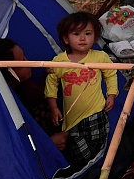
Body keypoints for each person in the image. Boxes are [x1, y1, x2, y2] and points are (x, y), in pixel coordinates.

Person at [45, 12, 118, 170]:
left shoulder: (100, 57)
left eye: (88, 33)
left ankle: (99, 172)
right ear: (66, 39)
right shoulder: (59, 61)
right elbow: (51, 84)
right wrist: (53, 107)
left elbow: (111, 74)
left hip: (97, 113)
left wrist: (111, 95)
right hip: (72, 119)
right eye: (76, 34)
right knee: (79, 154)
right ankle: (85, 176)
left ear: (95, 36)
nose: (82, 38)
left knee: (98, 148)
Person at [0, 38, 68, 151]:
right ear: (8, 76)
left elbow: (38, 95)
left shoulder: (24, 86)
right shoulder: (4, 110)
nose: (29, 62)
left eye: (25, 57)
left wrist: (48, 79)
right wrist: (49, 144)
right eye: (22, 63)